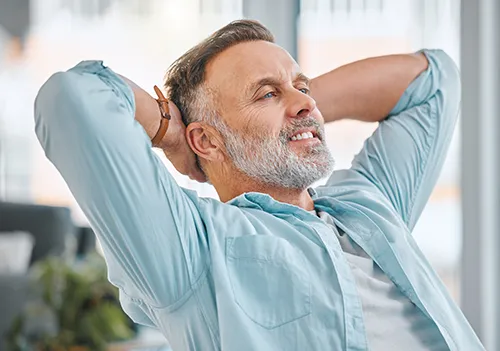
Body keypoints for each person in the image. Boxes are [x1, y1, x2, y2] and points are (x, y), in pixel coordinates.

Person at [34, 20, 483, 351]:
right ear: (207, 140)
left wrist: (296, 107)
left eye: (301, 86)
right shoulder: (191, 247)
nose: (306, 101)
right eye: (265, 93)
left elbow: (433, 81)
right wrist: (171, 129)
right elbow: (72, 98)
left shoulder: (369, 204)